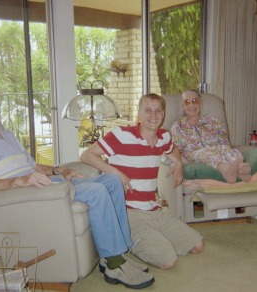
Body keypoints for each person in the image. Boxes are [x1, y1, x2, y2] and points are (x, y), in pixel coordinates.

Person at [0, 88, 154, 289]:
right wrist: (19, 181)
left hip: (43, 183)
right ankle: (115, 265)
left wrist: (58, 170)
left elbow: (33, 166)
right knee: (96, 192)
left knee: (112, 181)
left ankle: (119, 252)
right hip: (24, 194)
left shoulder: (8, 135)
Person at [80, 93, 204, 270]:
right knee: (168, 261)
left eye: (158, 111)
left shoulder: (164, 137)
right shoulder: (121, 135)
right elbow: (86, 155)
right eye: (147, 110)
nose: (153, 115)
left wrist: (178, 163)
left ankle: (153, 237)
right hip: (129, 214)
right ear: (138, 113)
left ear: (163, 115)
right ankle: (128, 241)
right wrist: (115, 173)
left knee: (198, 245)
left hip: (154, 210)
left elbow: (173, 149)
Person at [170, 90, 252, 184]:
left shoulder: (211, 120)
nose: (191, 105)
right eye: (187, 102)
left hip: (216, 149)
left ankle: (241, 168)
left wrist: (225, 149)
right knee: (207, 152)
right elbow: (175, 148)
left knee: (227, 149)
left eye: (195, 101)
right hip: (195, 154)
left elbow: (223, 139)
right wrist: (179, 161)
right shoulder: (178, 126)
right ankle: (225, 170)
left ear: (200, 103)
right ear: (183, 105)